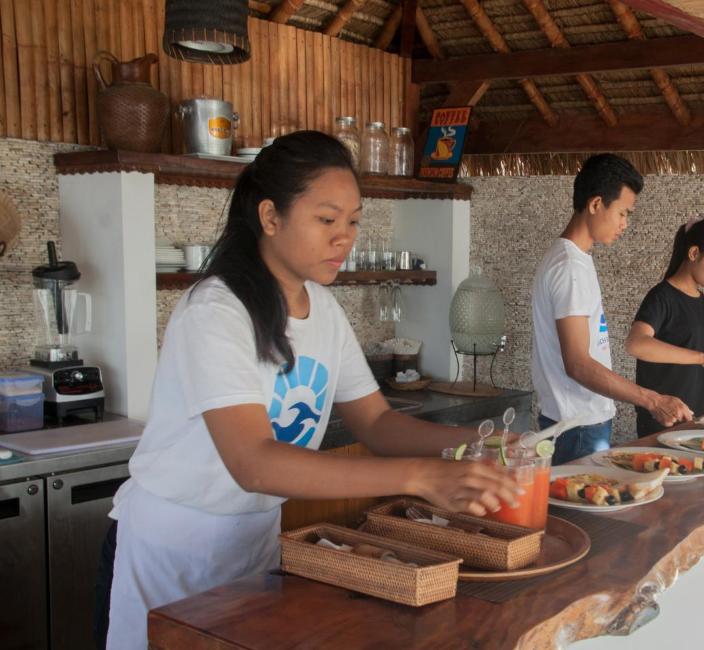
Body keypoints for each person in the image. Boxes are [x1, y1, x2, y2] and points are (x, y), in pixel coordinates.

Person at [103, 131, 520, 649]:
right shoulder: (216, 311)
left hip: (252, 540)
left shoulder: (322, 310)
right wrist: (418, 475)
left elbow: (376, 423)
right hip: (176, 550)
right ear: (270, 217)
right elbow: (252, 461)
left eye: (352, 221)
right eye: (326, 220)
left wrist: (469, 446)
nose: (343, 237)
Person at [530, 154, 691, 466]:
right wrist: (652, 400)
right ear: (595, 204)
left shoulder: (574, 260)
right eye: (622, 213)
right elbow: (577, 364)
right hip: (576, 429)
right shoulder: (569, 267)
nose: (624, 224)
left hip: (579, 425)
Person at [626, 217, 704, 436]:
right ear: (694, 254)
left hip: (703, 424)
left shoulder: (701, 301)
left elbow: (695, 369)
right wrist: (703, 358)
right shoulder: (661, 297)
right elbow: (636, 344)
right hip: (666, 427)